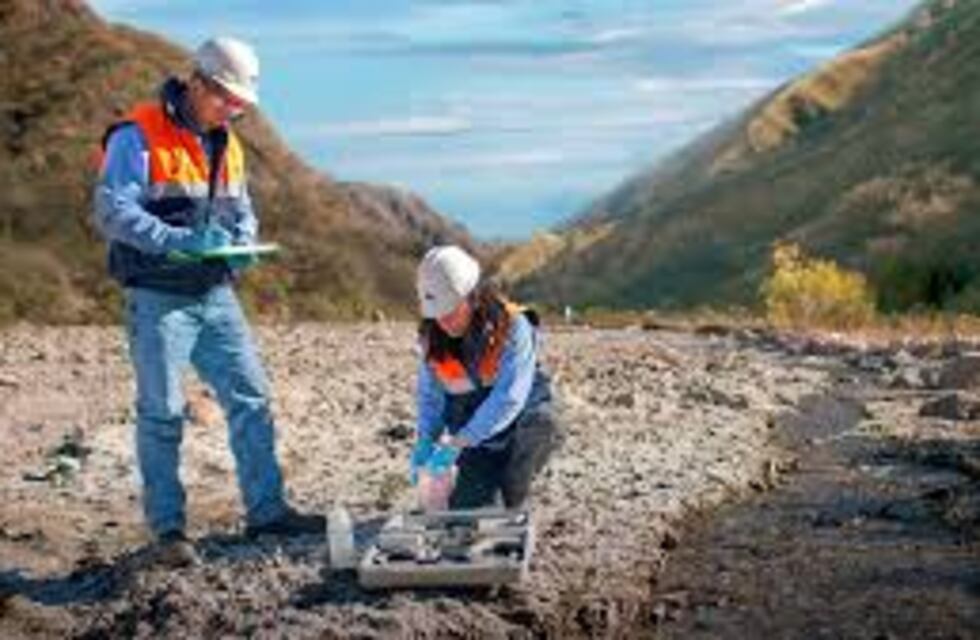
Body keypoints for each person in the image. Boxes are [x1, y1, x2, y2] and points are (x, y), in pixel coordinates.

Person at [93, 37, 323, 565]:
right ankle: (169, 534)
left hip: (215, 293)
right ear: (197, 82)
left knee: (250, 399)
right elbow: (110, 211)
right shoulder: (137, 135)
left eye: (240, 103)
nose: (233, 109)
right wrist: (178, 242)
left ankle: (268, 515)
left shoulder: (228, 142)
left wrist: (241, 243)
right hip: (157, 296)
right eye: (226, 98)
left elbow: (240, 210)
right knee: (163, 413)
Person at [410, 245, 561, 510]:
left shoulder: (512, 327)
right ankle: (489, 489)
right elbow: (430, 398)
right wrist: (425, 441)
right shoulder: (432, 338)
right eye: (437, 314)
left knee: (539, 426)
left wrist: (459, 442)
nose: (443, 321)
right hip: (474, 437)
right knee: (470, 511)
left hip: (518, 423)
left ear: (473, 297)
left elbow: (509, 398)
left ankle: (514, 491)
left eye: (451, 310)